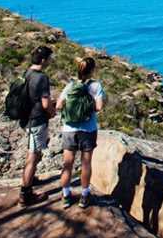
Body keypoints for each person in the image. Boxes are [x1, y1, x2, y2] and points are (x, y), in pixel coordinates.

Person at [56, 57, 106, 209]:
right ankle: (84, 196)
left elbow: (58, 105)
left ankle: (66, 196)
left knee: (67, 164)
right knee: (86, 164)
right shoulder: (96, 86)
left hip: (69, 129)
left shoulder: (70, 85)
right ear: (92, 70)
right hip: (88, 129)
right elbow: (98, 107)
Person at [20, 45, 56, 206]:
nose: (50, 61)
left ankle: (30, 178)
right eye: (49, 58)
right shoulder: (41, 78)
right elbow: (45, 102)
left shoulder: (27, 72)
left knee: (34, 151)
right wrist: (52, 112)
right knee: (33, 155)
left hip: (27, 117)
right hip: (37, 119)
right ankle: (26, 193)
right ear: (43, 60)